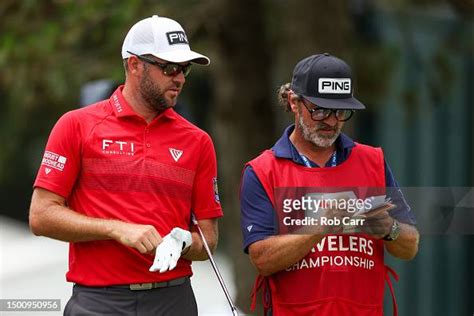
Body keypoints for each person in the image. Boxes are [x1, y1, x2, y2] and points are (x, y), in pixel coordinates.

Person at [29, 15, 223, 316]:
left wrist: (183, 241)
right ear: (135, 65)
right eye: (169, 67)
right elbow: (41, 216)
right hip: (99, 303)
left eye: (184, 69)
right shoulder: (76, 126)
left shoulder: (197, 141)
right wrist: (115, 229)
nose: (180, 78)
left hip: (174, 301)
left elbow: (208, 239)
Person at [240, 53, 419, 316]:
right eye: (320, 110)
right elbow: (262, 259)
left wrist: (387, 228)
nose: (332, 121)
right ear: (293, 102)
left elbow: (410, 245)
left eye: (341, 111)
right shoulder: (262, 170)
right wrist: (322, 225)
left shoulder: (373, 162)